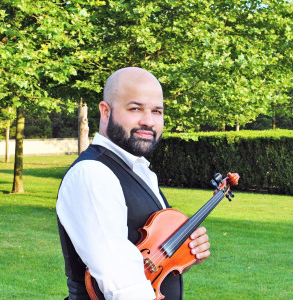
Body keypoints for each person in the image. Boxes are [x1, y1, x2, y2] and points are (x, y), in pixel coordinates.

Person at [57, 67, 211, 300]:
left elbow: (144, 263)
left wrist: (181, 255)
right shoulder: (93, 173)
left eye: (157, 111)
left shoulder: (140, 170)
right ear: (105, 111)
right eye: (135, 108)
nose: (148, 121)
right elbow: (122, 285)